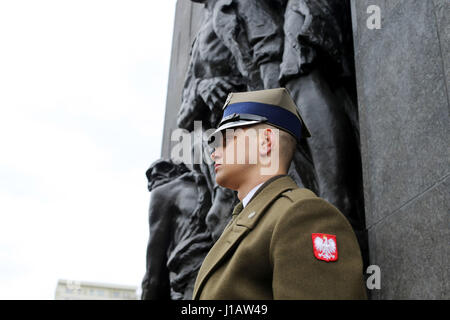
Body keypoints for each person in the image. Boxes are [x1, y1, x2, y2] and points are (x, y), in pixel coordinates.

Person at [192, 87, 367, 299]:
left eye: (226, 139)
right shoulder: (243, 222)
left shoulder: (303, 217)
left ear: (266, 142)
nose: (214, 151)